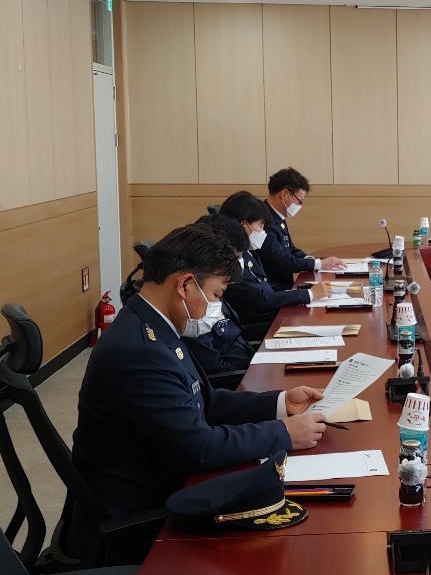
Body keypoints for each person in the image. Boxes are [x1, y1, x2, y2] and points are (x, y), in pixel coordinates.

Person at [72, 224, 331, 524]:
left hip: (168, 479)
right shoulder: (138, 352)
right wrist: (283, 433)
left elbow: (206, 401)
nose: (217, 307)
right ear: (185, 285)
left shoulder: (153, 325)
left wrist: (281, 403)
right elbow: (199, 448)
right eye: (216, 294)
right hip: (145, 511)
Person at [219, 191, 331, 340]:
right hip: (259, 326)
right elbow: (260, 300)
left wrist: (306, 291)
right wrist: (309, 294)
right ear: (244, 226)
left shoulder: (248, 253)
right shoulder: (232, 260)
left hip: (272, 317)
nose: (263, 232)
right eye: (261, 226)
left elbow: (266, 290)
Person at [182, 214, 256, 380]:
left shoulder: (213, 286)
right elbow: (215, 370)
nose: (238, 263)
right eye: (235, 257)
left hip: (248, 366)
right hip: (237, 381)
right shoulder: (195, 305)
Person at [258, 167, 344, 291]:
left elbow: (290, 250)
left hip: (285, 288)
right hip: (274, 291)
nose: (299, 206)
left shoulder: (277, 215)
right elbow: (281, 261)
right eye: (299, 202)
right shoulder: (262, 219)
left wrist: (312, 260)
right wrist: (319, 264)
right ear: (284, 194)